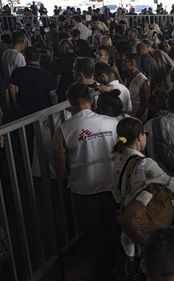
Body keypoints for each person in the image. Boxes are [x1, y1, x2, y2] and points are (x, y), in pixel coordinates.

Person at [53, 82, 118, 281]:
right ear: (91, 100)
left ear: (70, 103)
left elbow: (61, 170)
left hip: (83, 191)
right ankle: (119, 267)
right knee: (113, 229)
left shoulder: (63, 129)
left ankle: (103, 272)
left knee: (96, 235)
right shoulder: (112, 123)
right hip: (112, 187)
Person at [112, 117, 174, 279]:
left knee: (132, 271)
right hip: (143, 225)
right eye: (145, 133)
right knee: (147, 270)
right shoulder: (145, 164)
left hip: (126, 224)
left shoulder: (117, 157)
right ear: (139, 137)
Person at [7, 46, 57, 119]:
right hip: (43, 110)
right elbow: (52, 94)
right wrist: (55, 109)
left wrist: (16, 105)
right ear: (39, 58)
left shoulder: (18, 71)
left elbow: (11, 89)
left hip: (25, 110)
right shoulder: (46, 73)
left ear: (25, 58)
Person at [124, 53, 151, 121]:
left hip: (138, 118)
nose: (123, 63)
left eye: (125, 61)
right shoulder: (128, 76)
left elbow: (144, 104)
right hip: (129, 114)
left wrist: (135, 118)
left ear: (132, 63)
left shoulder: (143, 81)